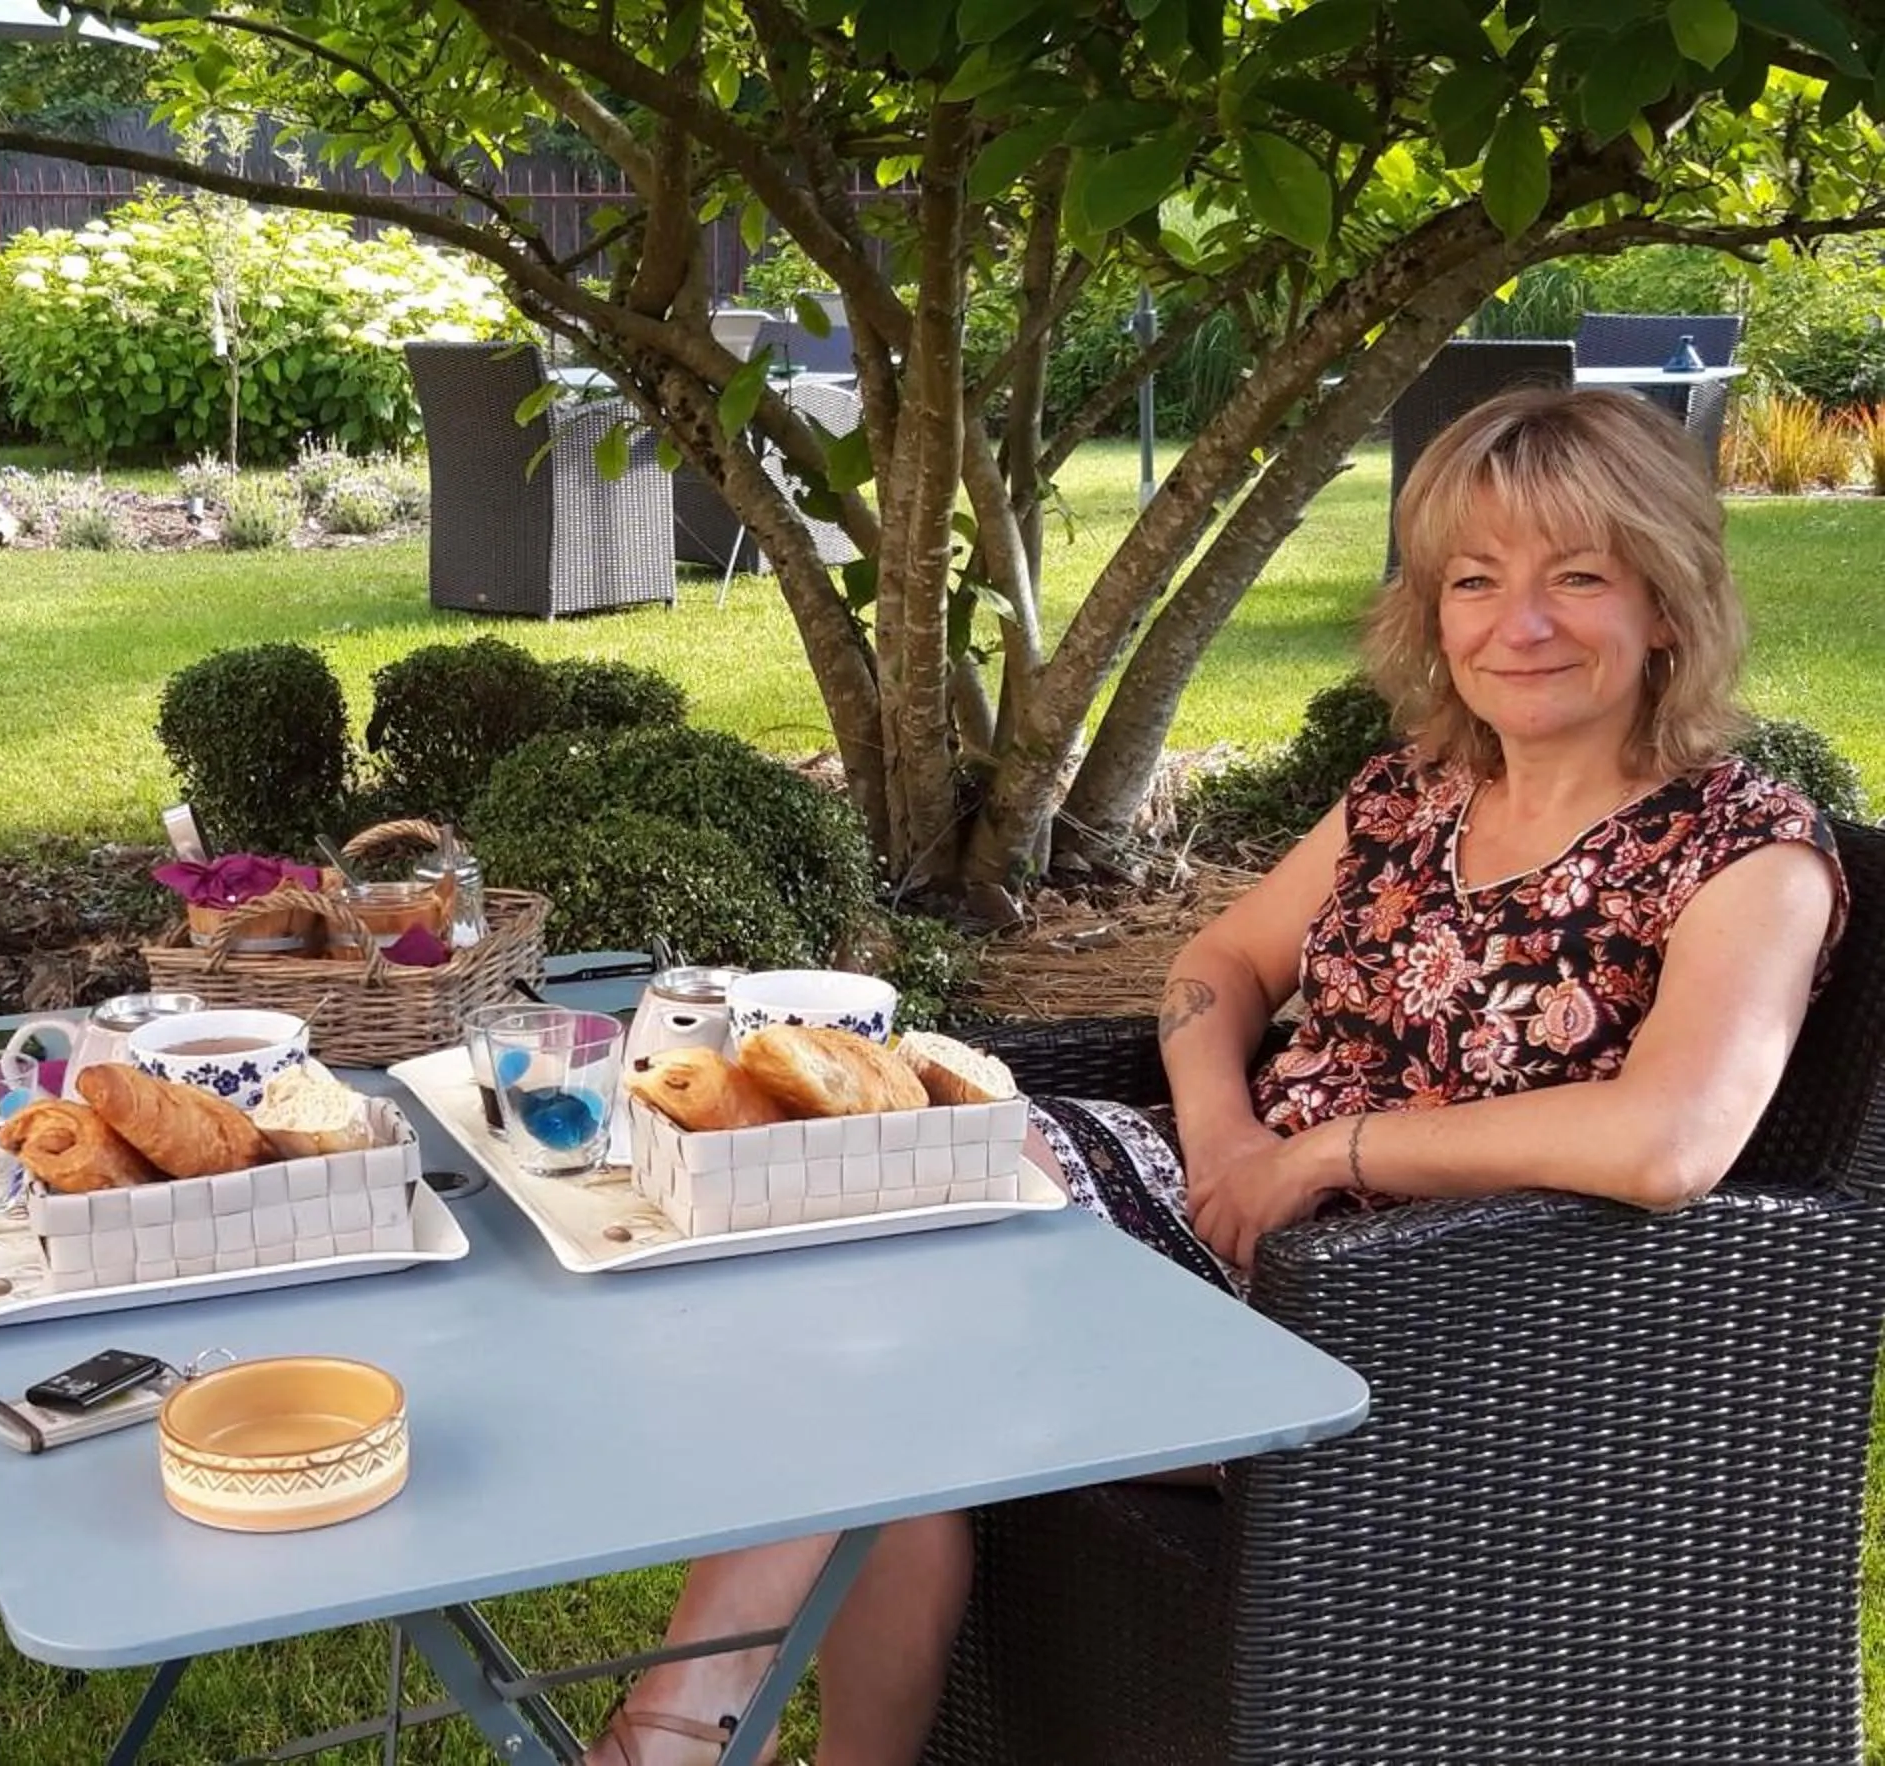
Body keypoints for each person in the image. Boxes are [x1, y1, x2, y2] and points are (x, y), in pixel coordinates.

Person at [589, 385, 1851, 1766]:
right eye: (1474, 580)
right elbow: (1217, 965)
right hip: (1213, 1208)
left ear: (1667, 604)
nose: (1518, 622)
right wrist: (1224, 1135)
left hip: (1419, 1314)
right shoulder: (1420, 786)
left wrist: (1324, 1155)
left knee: (878, 1339)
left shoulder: (1745, 848)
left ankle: (671, 1737)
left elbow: (1673, 1138)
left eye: (1578, 578)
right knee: (862, 1225)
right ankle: (698, 1738)